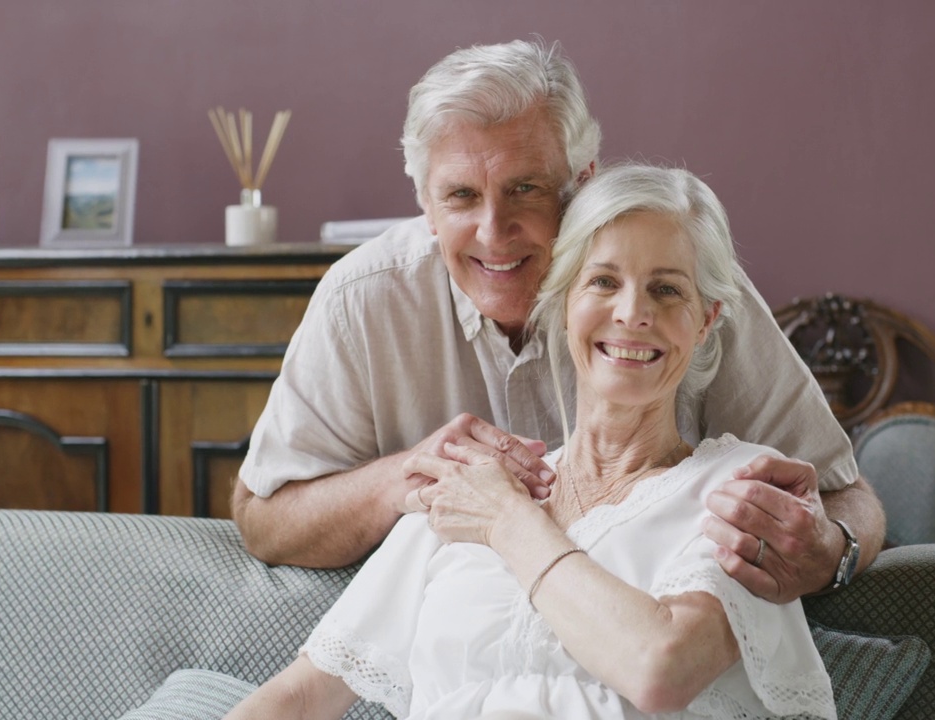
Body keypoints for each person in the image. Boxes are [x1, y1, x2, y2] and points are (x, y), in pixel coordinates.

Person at [232, 39, 884, 602]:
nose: (494, 233)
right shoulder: (363, 299)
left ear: (583, 183)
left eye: (525, 189)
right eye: (461, 195)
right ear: (425, 204)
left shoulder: (677, 293)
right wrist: (409, 478)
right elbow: (260, 515)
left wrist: (829, 553)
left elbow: (849, 496)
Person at [226, 164, 839, 720]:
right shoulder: (473, 485)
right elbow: (302, 695)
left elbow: (661, 670)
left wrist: (507, 521)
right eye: (603, 281)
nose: (632, 313)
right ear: (563, 300)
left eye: (667, 289)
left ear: (706, 320)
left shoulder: (740, 492)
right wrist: (493, 502)